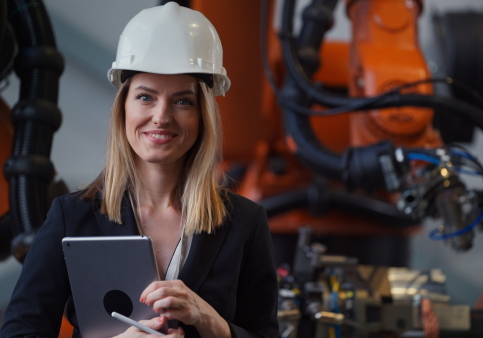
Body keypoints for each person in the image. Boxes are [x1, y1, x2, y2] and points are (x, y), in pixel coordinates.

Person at [0, 2, 278, 337]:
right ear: (123, 110)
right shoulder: (71, 217)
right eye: (145, 97)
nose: (161, 116)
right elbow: (19, 332)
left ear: (203, 116)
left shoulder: (244, 224)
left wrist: (213, 323)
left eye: (182, 101)